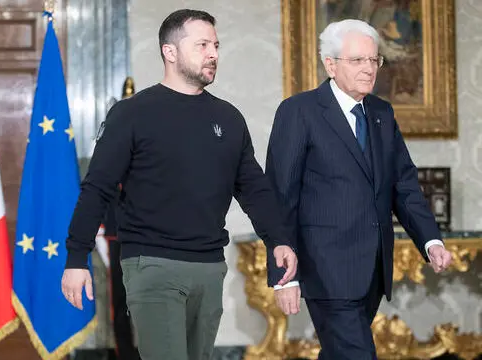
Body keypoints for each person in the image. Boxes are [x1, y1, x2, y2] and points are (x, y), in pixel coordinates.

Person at [61, 9, 297, 360]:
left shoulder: (228, 118)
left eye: (215, 45)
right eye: (202, 45)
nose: (213, 53)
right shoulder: (131, 114)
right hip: (152, 265)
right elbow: (97, 188)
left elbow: (254, 188)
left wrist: (278, 239)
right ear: (169, 52)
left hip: (209, 267)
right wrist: (76, 257)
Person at [264, 19, 453, 359]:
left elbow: (404, 184)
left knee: (341, 353)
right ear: (330, 64)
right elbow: (280, 196)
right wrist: (283, 277)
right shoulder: (299, 112)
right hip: (325, 267)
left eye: (374, 60)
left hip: (373, 269)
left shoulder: (381, 113)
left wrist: (430, 239)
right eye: (357, 60)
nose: (369, 69)